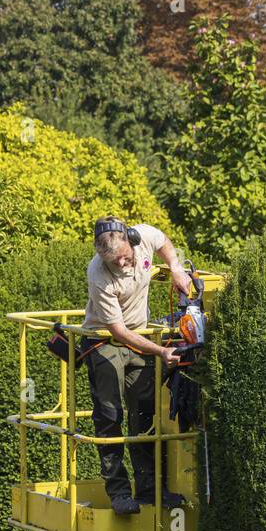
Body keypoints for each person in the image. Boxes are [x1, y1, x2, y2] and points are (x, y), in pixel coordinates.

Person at [81, 216, 194, 515]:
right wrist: (159, 351)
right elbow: (118, 330)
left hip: (139, 338)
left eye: (124, 257)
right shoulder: (98, 273)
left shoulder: (142, 236)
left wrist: (176, 268)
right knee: (109, 415)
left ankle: (149, 490)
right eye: (113, 260)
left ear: (131, 241)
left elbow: (165, 243)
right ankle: (119, 493)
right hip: (104, 341)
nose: (121, 264)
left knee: (144, 413)